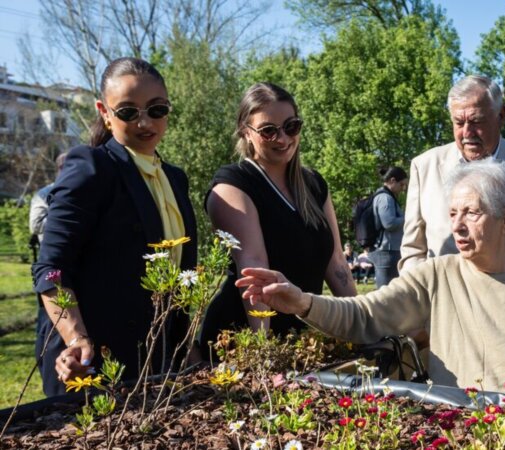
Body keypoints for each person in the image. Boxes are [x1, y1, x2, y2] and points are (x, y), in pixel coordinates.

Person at [235, 160, 505, 398]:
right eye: (452, 213)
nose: (458, 226)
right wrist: (303, 302)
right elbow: (364, 316)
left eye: (472, 213)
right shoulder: (437, 275)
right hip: (453, 430)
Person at [32, 57, 197, 396]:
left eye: (156, 109)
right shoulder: (92, 167)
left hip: (156, 360)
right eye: (127, 111)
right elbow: (51, 270)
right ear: (104, 112)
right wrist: (75, 338)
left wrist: (186, 347)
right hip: (92, 365)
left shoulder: (175, 179)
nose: (144, 121)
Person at [199, 82, 356, 349]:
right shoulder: (233, 185)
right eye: (268, 131)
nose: (282, 139)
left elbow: (336, 262)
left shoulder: (314, 185)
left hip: (303, 335)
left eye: (291, 127)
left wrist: (361, 324)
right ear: (245, 133)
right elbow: (254, 270)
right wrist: (263, 351)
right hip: (244, 337)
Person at [399, 75, 505, 277]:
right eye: (458, 122)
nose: (467, 132)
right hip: (442, 303)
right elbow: (413, 251)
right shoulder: (425, 166)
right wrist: (423, 297)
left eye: (476, 121)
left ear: (501, 115)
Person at [369, 166, 407, 287]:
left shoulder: (387, 196)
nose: (403, 188)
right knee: (385, 292)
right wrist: (408, 218)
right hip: (386, 251)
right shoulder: (385, 198)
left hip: (388, 250)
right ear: (392, 181)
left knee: (390, 292)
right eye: (401, 184)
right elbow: (389, 223)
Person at [29, 152, 68, 245]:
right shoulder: (44, 194)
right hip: (55, 250)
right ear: (60, 169)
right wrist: (66, 215)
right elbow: (35, 226)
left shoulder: (84, 191)